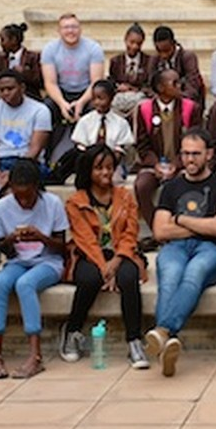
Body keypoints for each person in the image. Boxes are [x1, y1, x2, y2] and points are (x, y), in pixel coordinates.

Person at [145, 129, 216, 377]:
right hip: (175, 248)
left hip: (212, 251)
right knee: (170, 277)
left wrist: (180, 220)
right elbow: (159, 231)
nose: (190, 159)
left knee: (194, 272)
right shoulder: (171, 188)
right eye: (185, 153)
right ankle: (167, 341)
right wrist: (205, 225)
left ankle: (164, 331)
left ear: (209, 154)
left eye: (196, 154)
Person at [60, 144, 149, 369]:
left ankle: (134, 341)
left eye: (109, 167)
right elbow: (85, 240)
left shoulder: (125, 197)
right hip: (89, 255)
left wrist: (115, 263)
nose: (106, 173)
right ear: (88, 170)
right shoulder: (76, 202)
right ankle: (72, 331)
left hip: (121, 253)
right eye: (99, 168)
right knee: (90, 279)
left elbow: (130, 234)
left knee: (128, 278)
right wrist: (104, 268)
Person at [0, 158, 68, 379]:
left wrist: (42, 238)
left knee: (25, 284)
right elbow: (1, 249)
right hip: (17, 262)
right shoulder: (2, 206)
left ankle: (35, 355)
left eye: (28, 196)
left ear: (37, 188)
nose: (23, 201)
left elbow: (62, 247)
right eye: (18, 196)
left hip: (48, 262)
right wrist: (11, 240)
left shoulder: (52, 203)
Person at [133, 68, 204, 230]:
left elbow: (195, 141)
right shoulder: (144, 109)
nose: (180, 86)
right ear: (160, 88)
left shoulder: (190, 108)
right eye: (175, 83)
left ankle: (180, 227)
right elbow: (142, 145)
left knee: (183, 182)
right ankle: (156, 229)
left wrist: (177, 164)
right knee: (142, 185)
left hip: (183, 163)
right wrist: (156, 165)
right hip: (155, 164)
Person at [41, 13, 105, 167]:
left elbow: (96, 82)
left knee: (96, 109)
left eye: (74, 27)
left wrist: (81, 103)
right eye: (66, 27)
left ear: (80, 29)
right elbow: (50, 83)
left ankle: (92, 159)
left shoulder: (93, 48)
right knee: (45, 110)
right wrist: (62, 104)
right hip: (60, 92)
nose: (70, 31)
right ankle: (45, 157)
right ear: (59, 31)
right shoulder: (50, 49)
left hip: (87, 92)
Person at [0, 70, 52, 192]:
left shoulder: (40, 110)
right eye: (1, 90)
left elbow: (35, 148)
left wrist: (14, 173)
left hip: (29, 162)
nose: (5, 93)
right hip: (0, 161)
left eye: (10, 88)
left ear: (22, 88)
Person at [56, 79, 135, 184]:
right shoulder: (85, 121)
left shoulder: (121, 123)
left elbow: (119, 150)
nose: (97, 102)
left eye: (101, 98)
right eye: (94, 99)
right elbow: (81, 147)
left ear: (111, 98)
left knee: (114, 181)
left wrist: (108, 164)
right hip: (89, 163)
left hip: (112, 164)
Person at [151, 25, 206, 107]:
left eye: (166, 51)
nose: (163, 55)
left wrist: (177, 97)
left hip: (184, 99)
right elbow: (149, 85)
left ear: (174, 44)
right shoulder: (155, 59)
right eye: (159, 51)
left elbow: (193, 85)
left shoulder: (187, 57)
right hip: (162, 101)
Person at [108, 23, 153, 116]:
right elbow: (111, 82)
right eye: (131, 42)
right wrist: (118, 87)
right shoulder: (116, 61)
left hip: (139, 98)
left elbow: (151, 85)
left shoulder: (149, 61)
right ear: (125, 40)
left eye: (139, 44)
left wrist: (135, 89)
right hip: (120, 99)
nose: (134, 46)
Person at [0, 22, 43, 100]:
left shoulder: (33, 57)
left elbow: (39, 80)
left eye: (3, 40)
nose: (1, 43)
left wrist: (25, 73)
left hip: (30, 97)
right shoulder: (2, 59)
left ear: (13, 40)